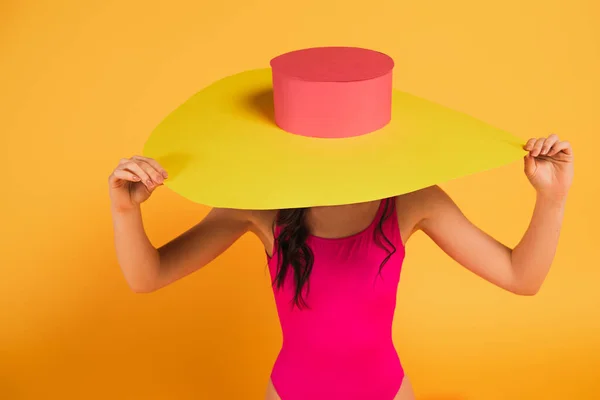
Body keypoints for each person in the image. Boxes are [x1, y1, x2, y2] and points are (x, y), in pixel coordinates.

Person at [110, 47, 574, 399]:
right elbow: (146, 276)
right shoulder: (258, 206)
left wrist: (551, 199)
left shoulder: (412, 201)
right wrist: (126, 212)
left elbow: (521, 277)